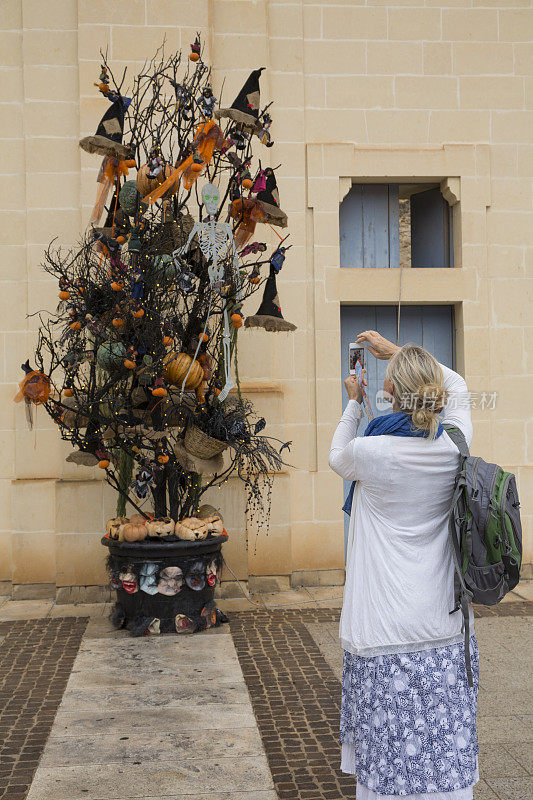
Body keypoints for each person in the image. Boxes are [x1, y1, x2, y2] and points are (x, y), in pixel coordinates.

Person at [328, 330, 478, 800]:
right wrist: (398, 353)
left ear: (393, 395)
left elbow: (336, 456)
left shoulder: (373, 452)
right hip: (441, 620)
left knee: (387, 748)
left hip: (385, 625)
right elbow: (458, 386)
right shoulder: (454, 445)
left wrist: (354, 403)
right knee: (440, 738)